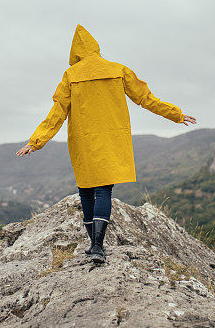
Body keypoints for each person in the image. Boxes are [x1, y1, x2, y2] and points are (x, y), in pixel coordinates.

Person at [16, 24, 196, 264]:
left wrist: (35, 142)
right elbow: (145, 98)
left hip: (84, 141)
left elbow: (57, 113)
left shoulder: (71, 75)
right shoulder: (118, 69)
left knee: (86, 191)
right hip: (112, 138)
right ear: (96, 48)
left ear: (76, 52)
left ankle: (94, 245)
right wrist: (175, 114)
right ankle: (98, 246)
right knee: (103, 191)